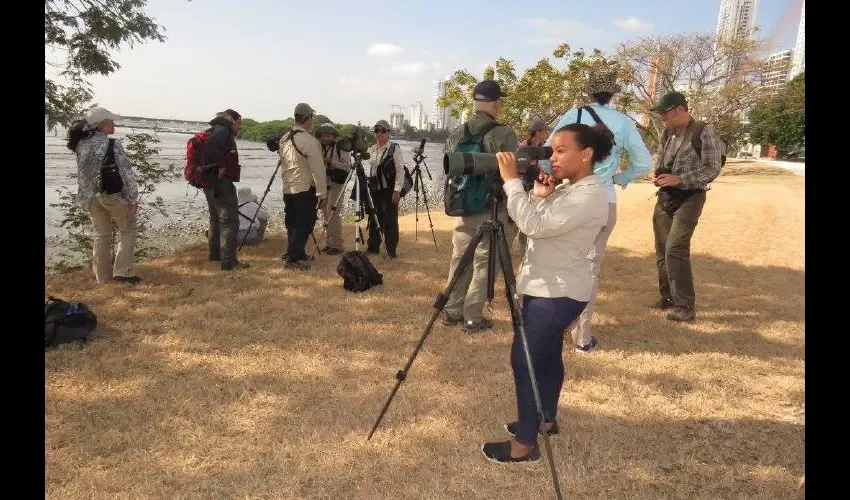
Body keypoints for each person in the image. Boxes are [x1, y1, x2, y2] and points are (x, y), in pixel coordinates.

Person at [481, 122, 613, 463]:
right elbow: (542, 228)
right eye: (552, 149)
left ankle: (524, 445)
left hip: (557, 292)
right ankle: (545, 419)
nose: (552, 157)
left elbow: (533, 226)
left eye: (560, 150)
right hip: (554, 286)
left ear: (586, 154)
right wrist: (539, 197)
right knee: (548, 354)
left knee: (524, 360)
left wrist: (512, 181)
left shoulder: (589, 194)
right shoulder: (573, 188)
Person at [540, 64, 652, 353]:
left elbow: (548, 154)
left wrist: (554, 178)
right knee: (590, 268)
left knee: (560, 261)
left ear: (589, 90)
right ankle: (581, 337)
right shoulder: (624, 122)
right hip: (602, 198)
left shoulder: (572, 115)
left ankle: (552, 326)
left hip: (569, 196)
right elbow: (644, 164)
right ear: (612, 93)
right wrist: (620, 177)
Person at [440, 80, 518, 333]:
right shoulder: (504, 133)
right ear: (496, 104)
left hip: (464, 207)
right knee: (485, 263)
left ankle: (452, 310)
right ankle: (473, 316)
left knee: (459, 261)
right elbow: (512, 172)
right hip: (492, 208)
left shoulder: (457, 132)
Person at [648, 91, 724, 322]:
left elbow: (712, 168)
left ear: (680, 109)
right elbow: (661, 160)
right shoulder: (667, 133)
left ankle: (685, 306)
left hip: (690, 196)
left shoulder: (704, 131)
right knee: (662, 250)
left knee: (675, 249)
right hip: (666, 195)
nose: (662, 116)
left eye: (665, 112)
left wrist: (680, 179)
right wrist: (657, 174)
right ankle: (668, 298)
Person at [67, 107, 141, 285]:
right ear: (101, 125)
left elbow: (84, 174)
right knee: (128, 230)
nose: (114, 124)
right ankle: (122, 273)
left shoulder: (81, 145)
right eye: (111, 122)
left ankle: (102, 277)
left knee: (102, 235)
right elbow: (126, 173)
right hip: (112, 195)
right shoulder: (112, 144)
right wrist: (132, 198)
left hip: (90, 197)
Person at [279, 103, 327, 270]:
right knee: (305, 223)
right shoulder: (310, 141)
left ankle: (296, 253)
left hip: (288, 187)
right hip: (305, 188)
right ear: (308, 118)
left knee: (292, 222)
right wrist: (322, 193)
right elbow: (318, 169)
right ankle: (293, 257)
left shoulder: (284, 138)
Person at [203, 109, 247, 271]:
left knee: (215, 218)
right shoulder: (223, 129)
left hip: (210, 181)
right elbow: (211, 144)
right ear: (232, 121)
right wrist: (221, 165)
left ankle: (215, 255)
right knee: (230, 221)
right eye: (239, 123)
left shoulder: (215, 129)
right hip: (221, 182)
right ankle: (229, 261)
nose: (240, 127)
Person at [366, 120, 404, 258]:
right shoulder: (372, 148)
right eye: (377, 130)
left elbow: (400, 171)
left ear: (388, 133)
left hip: (389, 189)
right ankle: (373, 247)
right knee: (374, 217)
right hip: (375, 188)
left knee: (390, 220)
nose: (379, 134)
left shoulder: (394, 148)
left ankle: (390, 250)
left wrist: (397, 190)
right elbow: (372, 169)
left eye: (383, 131)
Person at [514, 116, 551, 254]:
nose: (546, 134)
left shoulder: (545, 148)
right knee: (518, 215)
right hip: (523, 184)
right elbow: (518, 166)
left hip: (537, 185)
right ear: (538, 131)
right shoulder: (524, 146)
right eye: (544, 131)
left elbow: (546, 167)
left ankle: (525, 248)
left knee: (531, 215)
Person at [316, 122, 350, 255]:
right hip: (325, 183)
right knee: (325, 213)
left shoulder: (340, 147)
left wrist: (330, 162)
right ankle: (330, 243)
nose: (326, 137)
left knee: (333, 214)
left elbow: (347, 166)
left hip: (337, 183)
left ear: (333, 135)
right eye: (324, 135)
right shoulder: (320, 147)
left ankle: (337, 244)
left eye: (329, 135)